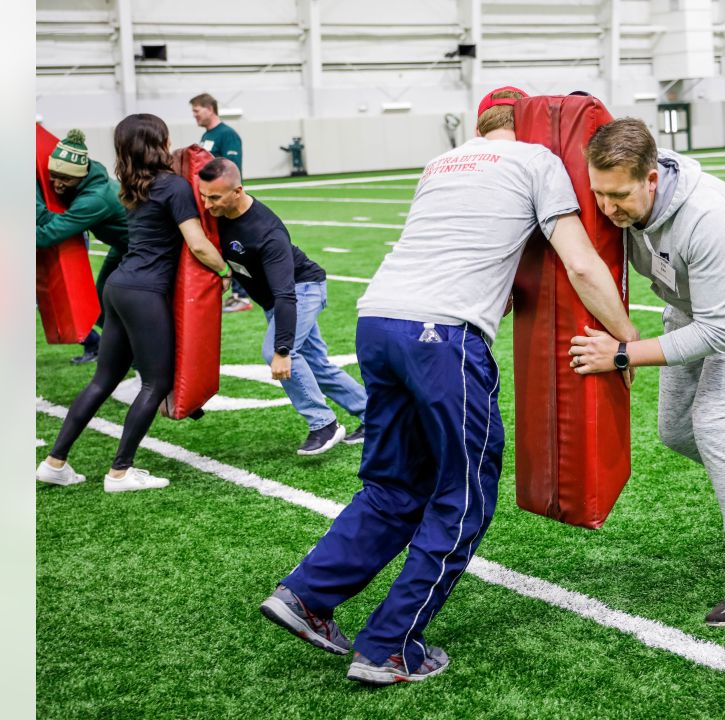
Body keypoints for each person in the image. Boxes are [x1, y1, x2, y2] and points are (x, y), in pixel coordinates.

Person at [259, 87, 638, 685]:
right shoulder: (537, 160)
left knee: (392, 484)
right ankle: (389, 644)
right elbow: (583, 264)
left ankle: (306, 595)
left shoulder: (442, 164)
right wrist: (625, 342)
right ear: (531, 126)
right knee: (464, 496)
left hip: (376, 321)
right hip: (442, 336)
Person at [569, 117, 725, 627]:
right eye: (600, 194)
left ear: (651, 179)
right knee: (675, 431)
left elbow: (718, 332)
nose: (608, 208)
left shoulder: (704, 217)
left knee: (717, 427)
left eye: (620, 196)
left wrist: (621, 354)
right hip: (689, 299)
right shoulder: (618, 203)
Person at [36, 113, 231, 492]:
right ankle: (120, 471)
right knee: (156, 383)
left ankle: (55, 462)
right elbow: (197, 244)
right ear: (158, 142)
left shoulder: (131, 185)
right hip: (144, 292)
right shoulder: (172, 187)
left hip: (118, 287)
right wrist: (225, 272)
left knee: (103, 380)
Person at [198, 157, 368, 455]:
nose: (207, 204)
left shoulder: (267, 233)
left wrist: (282, 351)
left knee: (278, 352)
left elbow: (287, 295)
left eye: (214, 197)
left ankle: (323, 424)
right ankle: (376, 418)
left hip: (302, 290)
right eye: (203, 195)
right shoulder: (217, 213)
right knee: (318, 366)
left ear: (237, 191)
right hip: (276, 299)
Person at [36, 129, 130, 364]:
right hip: (121, 246)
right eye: (54, 176)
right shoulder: (84, 178)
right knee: (102, 307)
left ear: (79, 177)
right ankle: (124, 351)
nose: (57, 184)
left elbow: (48, 235)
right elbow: (54, 222)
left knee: (130, 308)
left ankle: (137, 354)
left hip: (139, 250)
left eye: (65, 179)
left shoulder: (95, 198)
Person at [189, 92, 252, 313]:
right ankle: (236, 293)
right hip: (212, 202)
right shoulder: (207, 136)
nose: (194, 116)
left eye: (196, 110)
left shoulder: (227, 134)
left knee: (235, 246)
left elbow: (231, 169)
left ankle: (242, 296)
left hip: (225, 203)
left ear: (209, 108)